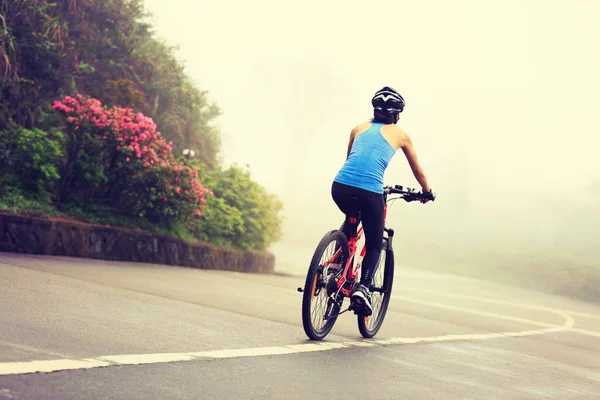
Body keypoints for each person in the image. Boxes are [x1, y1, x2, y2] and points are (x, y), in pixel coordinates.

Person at [331, 86, 435, 315]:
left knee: (351, 219)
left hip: (339, 187)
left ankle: (335, 266)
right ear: (397, 114)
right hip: (370, 192)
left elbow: (351, 159)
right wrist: (426, 191)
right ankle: (364, 288)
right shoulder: (401, 135)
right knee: (375, 244)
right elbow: (418, 171)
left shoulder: (358, 128)